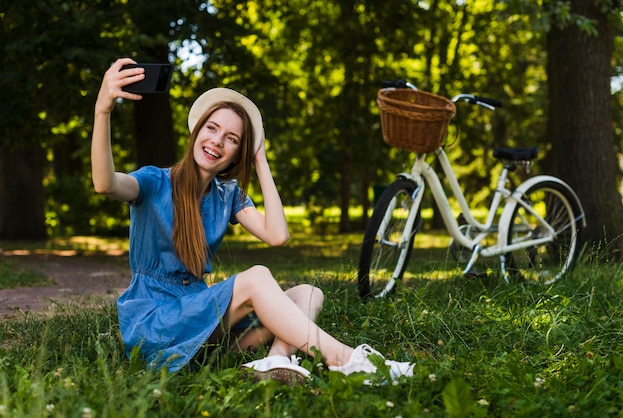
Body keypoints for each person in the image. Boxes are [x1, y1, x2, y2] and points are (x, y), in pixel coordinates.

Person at [91, 57, 414, 384]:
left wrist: (259, 158)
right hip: (156, 327)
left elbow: (277, 235)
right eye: (212, 128)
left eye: (232, 138)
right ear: (197, 131)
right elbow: (105, 184)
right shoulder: (154, 182)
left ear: (237, 152)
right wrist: (103, 110)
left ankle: (275, 360)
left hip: (202, 324)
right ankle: (344, 359)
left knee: (308, 293)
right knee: (257, 277)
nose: (217, 141)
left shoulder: (226, 195)